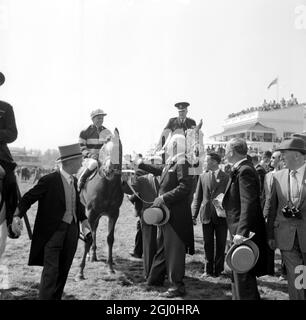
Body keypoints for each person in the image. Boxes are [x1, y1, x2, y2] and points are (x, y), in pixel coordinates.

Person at [11, 143, 90, 300]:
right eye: (79, 161)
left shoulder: (74, 181)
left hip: (72, 233)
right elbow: (28, 198)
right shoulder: (49, 180)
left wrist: (84, 220)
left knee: (63, 272)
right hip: (52, 234)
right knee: (50, 274)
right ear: (69, 162)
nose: (82, 164)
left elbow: (77, 205)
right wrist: (17, 215)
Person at [137, 134, 194, 298]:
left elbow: (185, 188)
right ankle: (154, 279)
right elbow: (160, 171)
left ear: (176, 146)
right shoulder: (173, 162)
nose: (167, 148)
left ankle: (177, 286)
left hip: (176, 217)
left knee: (174, 252)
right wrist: (141, 164)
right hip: (167, 216)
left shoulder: (182, 162)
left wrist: (163, 197)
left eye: (169, 145)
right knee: (163, 248)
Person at [222, 138, 268, 300]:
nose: (225, 152)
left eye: (226, 149)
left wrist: (241, 232)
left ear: (232, 152)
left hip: (243, 233)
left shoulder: (245, 170)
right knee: (238, 276)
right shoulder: (241, 168)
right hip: (237, 229)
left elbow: (249, 203)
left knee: (243, 276)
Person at [265, 137, 306, 300]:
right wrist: (269, 235)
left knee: (302, 274)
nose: (281, 158)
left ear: (297, 155)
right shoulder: (277, 177)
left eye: (284, 154)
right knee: (296, 273)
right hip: (286, 236)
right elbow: (272, 207)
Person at [192, 152, 229, 277]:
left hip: (221, 216)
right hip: (206, 214)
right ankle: (207, 270)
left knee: (221, 243)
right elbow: (198, 197)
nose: (205, 163)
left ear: (214, 162)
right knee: (207, 243)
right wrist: (194, 215)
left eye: (207, 160)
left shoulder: (226, 177)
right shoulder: (203, 177)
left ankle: (219, 269)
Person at [122, 165, 160, 279]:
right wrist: (123, 181)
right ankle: (149, 273)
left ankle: (164, 271)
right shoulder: (142, 179)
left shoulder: (168, 175)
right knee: (149, 246)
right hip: (149, 216)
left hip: (167, 215)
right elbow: (129, 189)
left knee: (164, 245)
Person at [0, 71, 20, 238]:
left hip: (1, 155)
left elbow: (12, 133)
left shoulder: (6, 108)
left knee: (11, 181)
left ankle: (10, 222)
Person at [78, 108, 113, 190]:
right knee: (93, 163)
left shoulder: (107, 132)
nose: (101, 120)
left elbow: (110, 148)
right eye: (98, 118)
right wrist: (90, 155)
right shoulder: (84, 131)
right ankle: (81, 180)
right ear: (93, 119)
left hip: (102, 159)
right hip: (89, 159)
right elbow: (81, 147)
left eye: (102, 118)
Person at [262, 151, 284, 277]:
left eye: (274, 158)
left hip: (281, 214)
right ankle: (269, 270)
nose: (271, 160)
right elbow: (265, 196)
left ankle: (284, 271)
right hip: (268, 213)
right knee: (268, 241)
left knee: (284, 244)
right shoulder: (268, 175)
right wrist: (264, 212)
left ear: (281, 159)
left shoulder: (286, 175)